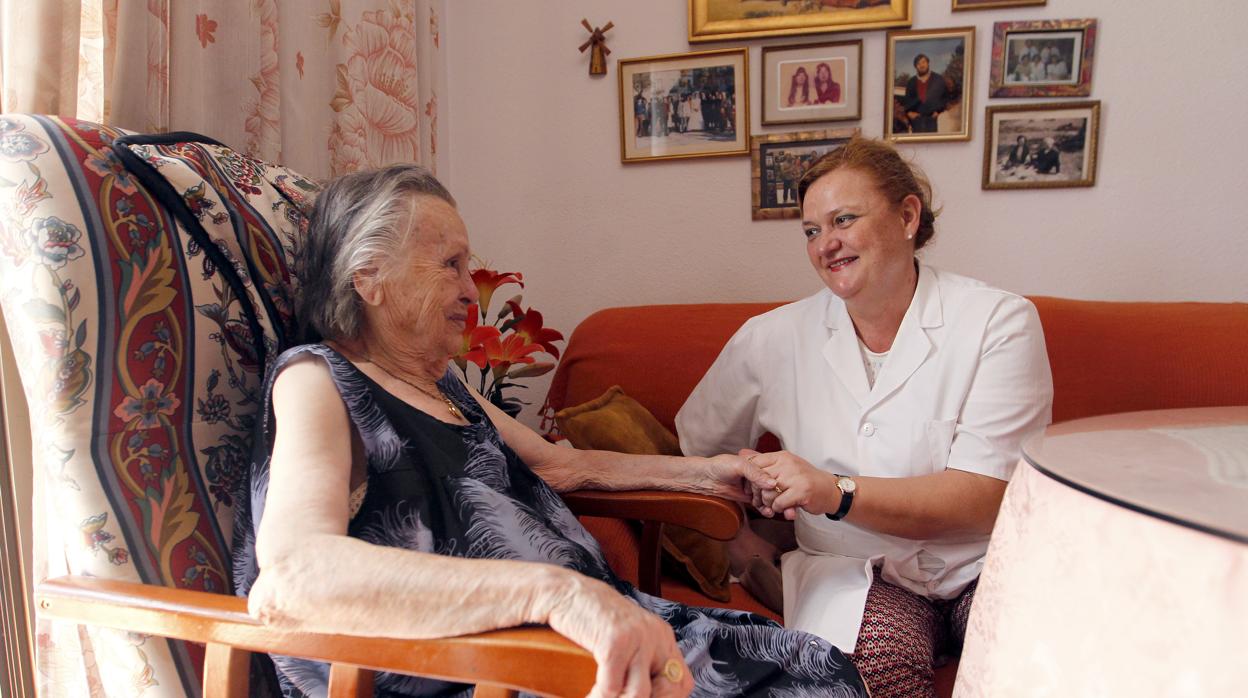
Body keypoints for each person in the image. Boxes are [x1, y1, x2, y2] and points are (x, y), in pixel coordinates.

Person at [233, 165, 869, 698]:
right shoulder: (318, 381)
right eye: (449, 265)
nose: (468, 289)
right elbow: (294, 576)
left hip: (584, 641)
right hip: (493, 671)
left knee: (821, 668)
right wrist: (555, 595)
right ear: (366, 277)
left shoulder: (441, 381)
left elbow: (561, 466)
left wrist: (711, 473)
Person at [676, 137, 1053, 698]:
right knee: (871, 678)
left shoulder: (999, 322)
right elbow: (699, 447)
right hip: (855, 571)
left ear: (907, 216)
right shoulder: (771, 338)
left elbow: (983, 498)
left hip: (980, 564)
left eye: (843, 220)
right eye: (810, 231)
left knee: (1040, 669)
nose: (826, 244)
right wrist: (747, 538)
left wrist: (833, 491)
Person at [901, 54, 949, 133]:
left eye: (923, 62)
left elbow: (945, 98)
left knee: (933, 143)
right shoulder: (911, 82)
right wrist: (909, 112)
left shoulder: (938, 79)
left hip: (934, 119)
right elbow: (907, 101)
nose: (921, 65)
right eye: (918, 63)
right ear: (915, 66)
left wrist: (939, 111)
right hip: (917, 121)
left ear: (928, 63)